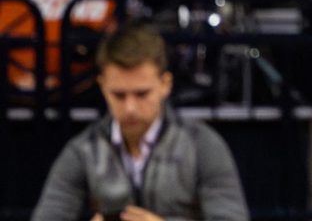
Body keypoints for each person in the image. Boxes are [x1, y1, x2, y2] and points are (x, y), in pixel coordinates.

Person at [31, 23, 249, 221]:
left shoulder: (202, 145)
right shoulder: (83, 150)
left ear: (165, 84)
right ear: (102, 86)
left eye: (142, 94)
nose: (130, 108)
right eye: (119, 95)